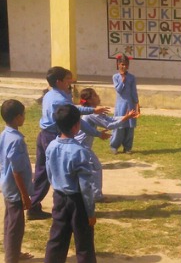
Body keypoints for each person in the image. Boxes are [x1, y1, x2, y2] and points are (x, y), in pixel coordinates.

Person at [28, 66, 110, 220]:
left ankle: (34, 206)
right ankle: (63, 207)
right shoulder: (59, 99)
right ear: (59, 81)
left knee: (42, 173)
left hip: (43, 135)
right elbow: (74, 111)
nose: (70, 82)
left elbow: (75, 117)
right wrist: (93, 110)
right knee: (60, 174)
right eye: (67, 79)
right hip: (52, 137)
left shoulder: (50, 94)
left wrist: (97, 133)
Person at [44, 104, 97, 263]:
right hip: (77, 201)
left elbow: (49, 173)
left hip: (59, 197)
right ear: (76, 126)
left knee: (57, 239)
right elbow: (86, 187)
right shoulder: (80, 151)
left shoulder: (51, 146)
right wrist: (91, 212)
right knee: (84, 242)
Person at [75, 88, 138, 201]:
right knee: (96, 167)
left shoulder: (93, 111)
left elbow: (111, 119)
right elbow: (109, 125)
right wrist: (125, 118)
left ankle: (85, 193)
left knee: (85, 169)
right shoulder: (91, 113)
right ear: (89, 100)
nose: (98, 96)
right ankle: (96, 196)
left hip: (82, 146)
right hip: (81, 146)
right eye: (95, 95)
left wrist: (126, 116)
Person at [0, 100, 34, 262]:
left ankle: (13, 252)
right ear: (17, 117)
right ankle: (11, 258)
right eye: (23, 115)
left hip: (7, 187)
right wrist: (25, 195)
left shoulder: (5, 134)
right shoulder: (16, 140)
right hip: (15, 190)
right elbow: (17, 171)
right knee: (16, 226)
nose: (24, 117)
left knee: (10, 222)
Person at [111, 53, 140, 155]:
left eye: (126, 65)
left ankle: (127, 147)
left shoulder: (132, 77)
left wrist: (137, 104)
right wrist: (122, 81)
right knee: (120, 126)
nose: (124, 67)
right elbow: (118, 90)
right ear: (118, 64)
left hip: (130, 105)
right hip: (120, 106)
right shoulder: (115, 77)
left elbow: (134, 91)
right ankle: (114, 145)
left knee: (130, 127)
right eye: (122, 64)